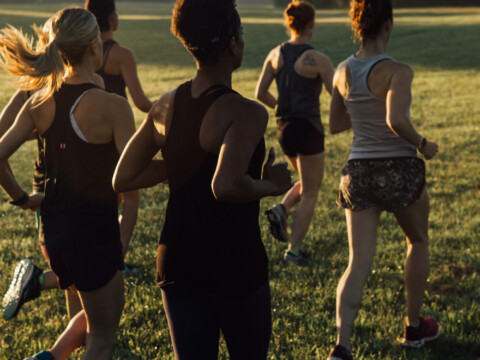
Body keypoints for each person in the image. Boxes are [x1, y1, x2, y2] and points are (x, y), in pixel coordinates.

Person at [113, 0, 292, 358]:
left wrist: (182, 163)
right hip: (234, 263)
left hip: (177, 261)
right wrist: (271, 186)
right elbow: (225, 185)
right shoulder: (247, 112)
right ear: (232, 44)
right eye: (240, 34)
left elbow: (123, 176)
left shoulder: (165, 105)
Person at [0, 8, 138, 359]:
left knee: (89, 317)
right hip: (94, 236)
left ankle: (49, 357)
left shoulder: (39, 101)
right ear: (95, 46)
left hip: (54, 238)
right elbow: (132, 178)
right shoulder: (113, 107)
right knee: (102, 340)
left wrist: (21, 198)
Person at [327, 0, 439, 359]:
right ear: (387, 25)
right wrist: (423, 144)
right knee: (417, 241)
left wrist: (361, 110)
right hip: (398, 170)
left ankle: (341, 346)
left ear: (357, 25)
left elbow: (335, 124)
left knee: (357, 261)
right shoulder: (398, 71)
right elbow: (395, 121)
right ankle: (413, 326)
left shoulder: (341, 71)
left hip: (357, 172)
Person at [255, 0, 334, 264]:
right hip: (309, 128)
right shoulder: (319, 60)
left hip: (284, 129)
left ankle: (282, 208)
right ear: (311, 24)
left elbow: (259, 93)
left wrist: (281, 106)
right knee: (311, 190)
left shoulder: (274, 54)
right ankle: (293, 252)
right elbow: (338, 94)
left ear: (289, 23)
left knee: (305, 181)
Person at [86, 0, 152, 112]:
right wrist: (166, 104)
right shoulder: (123, 55)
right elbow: (141, 102)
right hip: (118, 123)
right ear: (112, 18)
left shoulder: (80, 51)